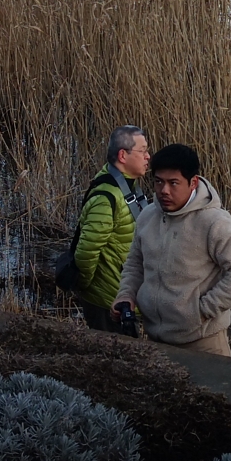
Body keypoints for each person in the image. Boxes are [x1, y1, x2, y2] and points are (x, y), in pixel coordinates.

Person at [113, 143, 231, 357]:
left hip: (203, 344)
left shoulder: (213, 222)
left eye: (173, 183)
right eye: (159, 182)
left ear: (193, 183)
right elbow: (135, 263)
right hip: (154, 338)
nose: (164, 190)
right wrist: (125, 295)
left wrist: (202, 311)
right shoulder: (147, 216)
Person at [72, 126, 149, 332]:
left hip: (123, 297)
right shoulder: (106, 199)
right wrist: (90, 290)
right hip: (107, 302)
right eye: (142, 151)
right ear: (123, 155)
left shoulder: (128, 185)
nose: (148, 157)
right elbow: (86, 252)